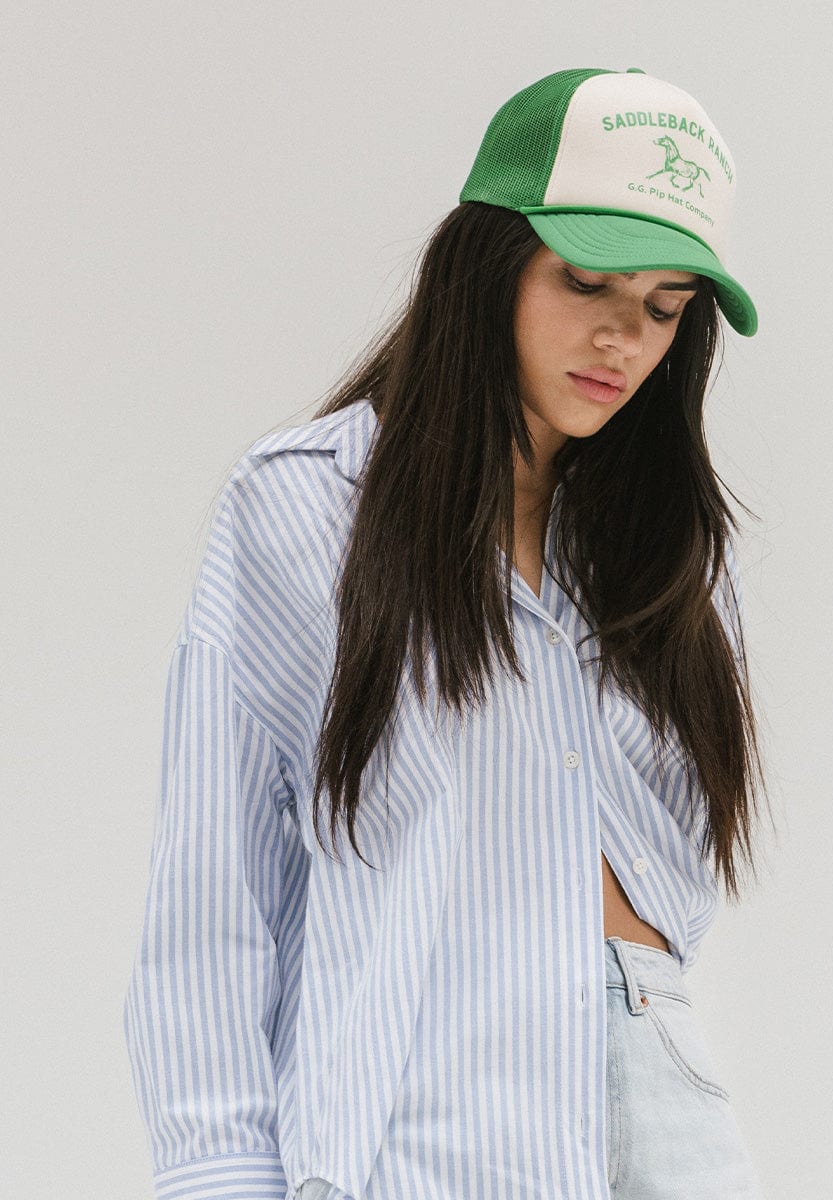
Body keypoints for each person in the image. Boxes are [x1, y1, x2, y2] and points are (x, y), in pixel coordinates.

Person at [123, 66, 770, 1200]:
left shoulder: (663, 551)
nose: (623, 336)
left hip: (662, 1107)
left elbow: (665, 900)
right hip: (417, 1112)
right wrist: (219, 1173)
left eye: (665, 306)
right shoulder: (304, 511)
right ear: (485, 262)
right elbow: (215, 899)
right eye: (586, 280)